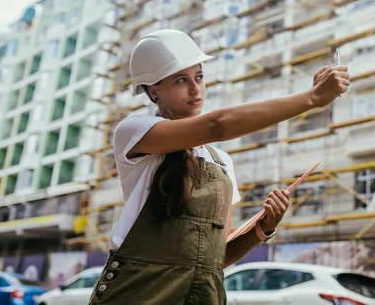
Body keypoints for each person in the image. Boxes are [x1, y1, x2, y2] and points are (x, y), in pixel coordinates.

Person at [89, 29, 350, 304]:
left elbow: (216, 257)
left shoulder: (221, 162)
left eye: (199, 77)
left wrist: (264, 228)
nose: (195, 89)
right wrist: (312, 98)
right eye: (181, 80)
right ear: (154, 91)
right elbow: (217, 125)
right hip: (140, 292)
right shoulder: (133, 133)